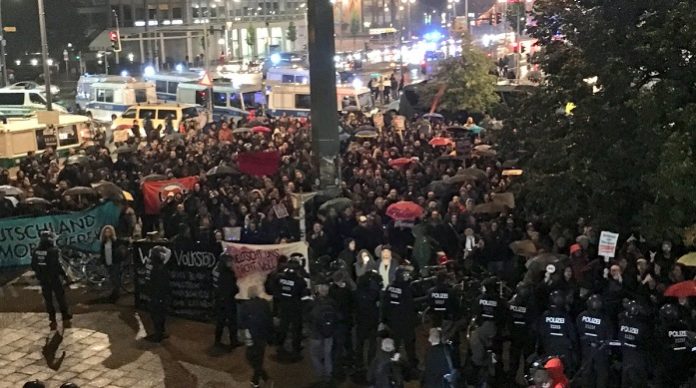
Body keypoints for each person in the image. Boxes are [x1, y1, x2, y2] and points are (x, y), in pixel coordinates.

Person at [31, 231, 71, 330]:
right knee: (60, 297)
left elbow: (34, 265)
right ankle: (64, 315)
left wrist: (39, 275)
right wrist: (65, 275)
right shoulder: (53, 250)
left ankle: (52, 318)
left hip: (43, 279)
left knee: (48, 299)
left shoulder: (35, 251)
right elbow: (57, 265)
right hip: (54, 278)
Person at [382, 266, 418, 369]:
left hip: (392, 321)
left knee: (395, 344)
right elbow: (410, 306)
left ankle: (394, 363)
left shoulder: (390, 287)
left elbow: (385, 304)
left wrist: (384, 319)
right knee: (409, 344)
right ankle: (412, 365)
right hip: (405, 322)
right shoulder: (406, 289)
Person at [575, 294, 612, 388]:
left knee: (587, 374)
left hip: (589, 350)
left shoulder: (581, 316)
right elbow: (609, 336)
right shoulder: (605, 319)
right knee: (599, 375)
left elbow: (577, 334)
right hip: (598, 351)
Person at [274, 257, 309, 359]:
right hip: (295, 307)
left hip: (283, 306)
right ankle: (296, 349)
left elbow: (275, 289)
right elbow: (303, 295)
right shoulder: (300, 280)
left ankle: (280, 346)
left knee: (283, 327)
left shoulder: (279, 277)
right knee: (296, 329)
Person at [537, 290, 578, 374]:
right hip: (564, 350)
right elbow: (572, 335)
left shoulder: (545, 315)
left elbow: (541, 332)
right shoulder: (566, 317)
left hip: (548, 348)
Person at [239, 285, 273, 388]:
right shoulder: (264, 304)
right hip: (262, 335)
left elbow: (241, 322)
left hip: (252, 335)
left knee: (251, 357)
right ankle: (262, 376)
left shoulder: (245, 305)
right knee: (259, 356)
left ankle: (256, 379)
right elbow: (269, 320)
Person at [654, 303, 692, 386]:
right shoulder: (684, 326)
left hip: (668, 366)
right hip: (683, 364)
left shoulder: (662, 329)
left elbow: (657, 346)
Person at [308, 283, 338, 385]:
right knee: (328, 354)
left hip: (316, 334)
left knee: (314, 355)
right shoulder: (332, 302)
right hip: (329, 333)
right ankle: (328, 375)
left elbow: (308, 316)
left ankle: (320, 373)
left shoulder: (314, 303)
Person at [617, 300, 650, 388]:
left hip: (626, 356)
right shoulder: (642, 326)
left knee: (626, 380)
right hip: (638, 358)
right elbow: (646, 342)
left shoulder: (621, 322)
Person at [354, 270, 382, 369]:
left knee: (359, 343)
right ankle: (371, 363)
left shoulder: (357, 293)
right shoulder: (375, 292)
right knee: (372, 343)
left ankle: (359, 363)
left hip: (361, 319)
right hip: (372, 319)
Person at [213, 253, 240, 350]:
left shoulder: (217, 270)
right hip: (227, 300)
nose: (232, 263)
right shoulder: (227, 274)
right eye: (230, 261)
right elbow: (232, 288)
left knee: (220, 321)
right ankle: (233, 341)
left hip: (219, 299)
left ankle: (217, 341)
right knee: (232, 321)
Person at [145, 245, 171, 343]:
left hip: (154, 294)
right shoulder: (160, 267)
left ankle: (158, 334)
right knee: (159, 314)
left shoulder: (150, 264)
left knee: (156, 314)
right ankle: (160, 332)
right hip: (158, 294)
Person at [99, 225, 126, 302]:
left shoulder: (115, 241)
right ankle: (114, 293)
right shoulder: (103, 242)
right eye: (106, 231)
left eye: (109, 231)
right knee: (111, 278)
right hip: (107, 263)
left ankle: (116, 294)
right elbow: (102, 253)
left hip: (115, 262)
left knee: (115, 278)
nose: (107, 233)